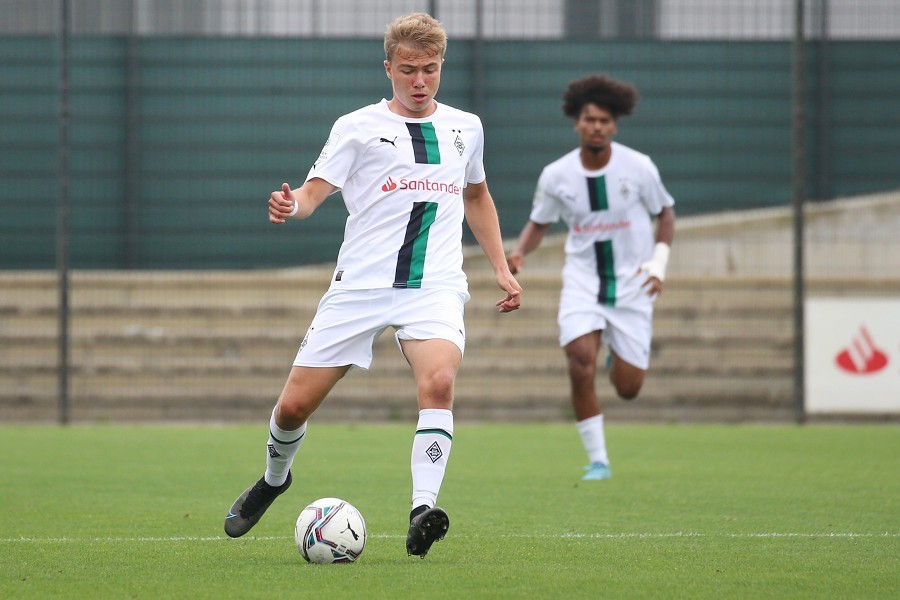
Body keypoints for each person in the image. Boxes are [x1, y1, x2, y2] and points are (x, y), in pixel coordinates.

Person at [223, 12, 522, 559]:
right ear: (388, 69)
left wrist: (500, 266)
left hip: (433, 285)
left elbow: (476, 195)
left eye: (429, 70)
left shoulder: (466, 127)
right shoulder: (356, 126)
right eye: (407, 70)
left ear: (440, 68)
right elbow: (316, 191)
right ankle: (273, 479)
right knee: (292, 409)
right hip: (360, 286)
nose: (419, 81)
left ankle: (421, 511)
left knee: (438, 384)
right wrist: (294, 206)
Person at [506, 74, 675, 481]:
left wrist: (659, 263)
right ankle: (598, 460)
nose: (597, 126)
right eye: (589, 119)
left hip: (632, 285)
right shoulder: (556, 175)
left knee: (629, 389)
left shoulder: (639, 168)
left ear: (614, 125)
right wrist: (517, 253)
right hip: (583, 283)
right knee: (580, 363)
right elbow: (539, 222)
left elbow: (665, 213)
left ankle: (618, 354)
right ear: (576, 123)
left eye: (604, 120)